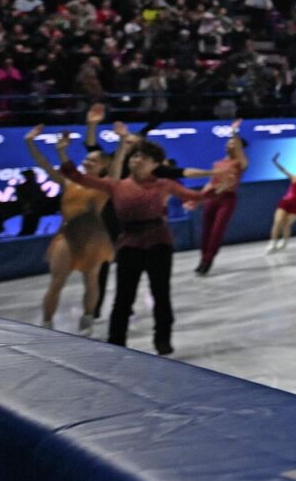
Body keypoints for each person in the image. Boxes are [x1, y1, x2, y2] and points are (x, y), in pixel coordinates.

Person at [54, 126, 207, 354]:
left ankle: (162, 340)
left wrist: (215, 188)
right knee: (123, 297)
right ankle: (117, 341)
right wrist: (62, 152)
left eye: (143, 157)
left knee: (161, 294)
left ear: (155, 164)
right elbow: (77, 176)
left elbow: (196, 196)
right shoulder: (116, 185)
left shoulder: (164, 184)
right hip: (129, 244)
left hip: (159, 243)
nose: (137, 160)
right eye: (135, 156)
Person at [22, 126, 114, 333]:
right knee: (57, 281)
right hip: (66, 235)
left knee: (91, 281)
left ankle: (88, 319)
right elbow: (44, 164)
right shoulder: (70, 181)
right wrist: (32, 143)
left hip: (93, 237)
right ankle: (47, 324)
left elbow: (116, 170)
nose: (87, 162)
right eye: (87, 159)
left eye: (93, 161)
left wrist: (123, 144)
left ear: (104, 166)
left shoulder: (105, 185)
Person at [187, 120, 248, 274]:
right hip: (212, 197)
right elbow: (210, 183)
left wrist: (233, 132)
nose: (229, 144)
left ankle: (208, 260)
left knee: (217, 231)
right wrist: (198, 198)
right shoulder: (218, 163)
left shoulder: (240, 162)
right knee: (206, 230)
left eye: (233, 143)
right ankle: (202, 258)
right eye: (228, 142)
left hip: (227, 199)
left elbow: (238, 147)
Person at [266, 155, 296, 253]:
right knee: (278, 221)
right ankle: (273, 243)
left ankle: (284, 242)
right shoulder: (294, 178)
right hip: (285, 203)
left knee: (286, 224)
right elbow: (283, 170)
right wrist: (275, 162)